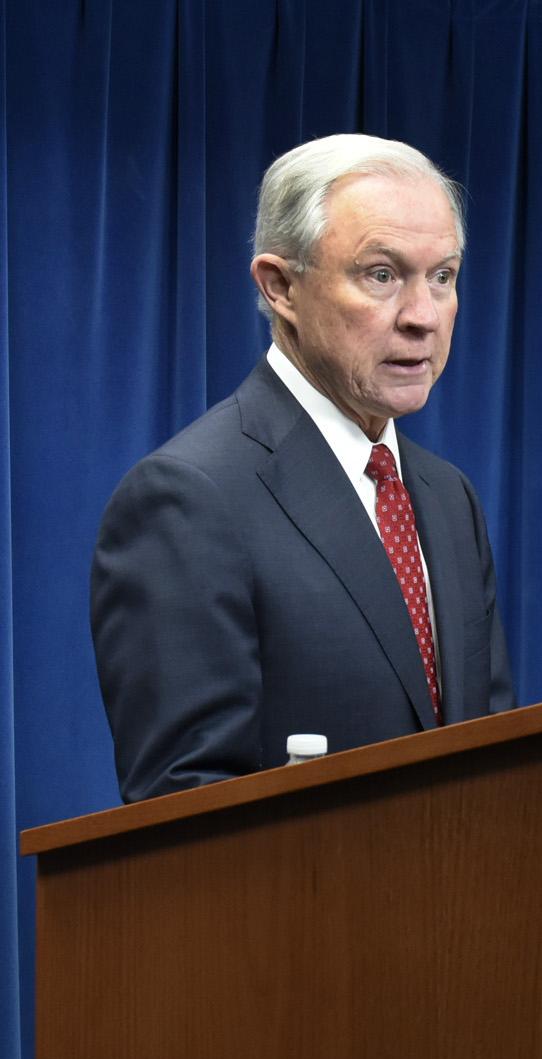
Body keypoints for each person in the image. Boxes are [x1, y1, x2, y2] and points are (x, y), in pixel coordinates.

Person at [91, 134, 512, 803]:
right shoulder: (189, 497)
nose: (423, 317)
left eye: (443, 276)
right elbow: (184, 808)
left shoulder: (445, 495)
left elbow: (491, 751)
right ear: (280, 286)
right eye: (381, 274)